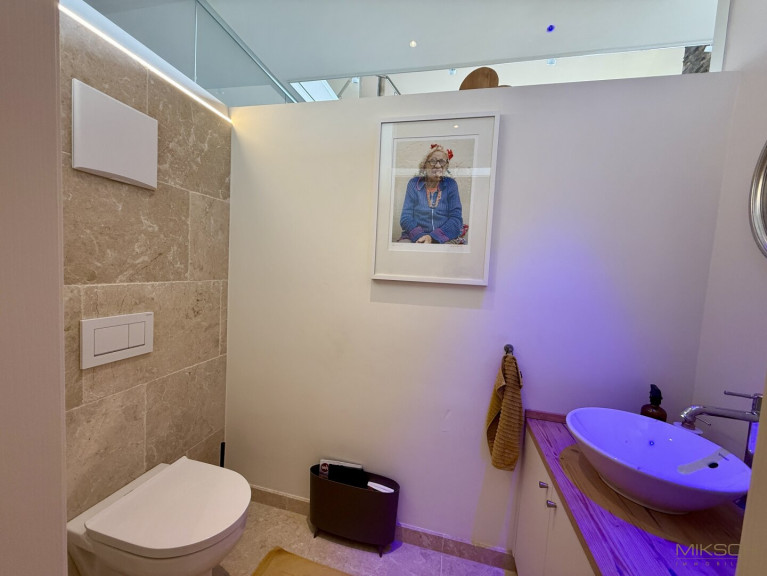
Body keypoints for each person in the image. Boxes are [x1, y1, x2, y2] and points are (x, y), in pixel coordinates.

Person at [399, 144, 464, 244]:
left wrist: (433, 237)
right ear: (425, 165)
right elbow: (406, 218)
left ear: (446, 166)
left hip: (444, 236)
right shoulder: (414, 184)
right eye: (433, 161)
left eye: (442, 162)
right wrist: (421, 236)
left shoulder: (451, 184)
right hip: (416, 235)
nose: (437, 166)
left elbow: (456, 219)